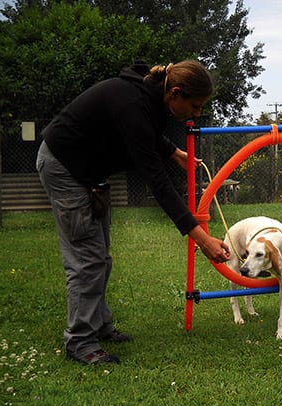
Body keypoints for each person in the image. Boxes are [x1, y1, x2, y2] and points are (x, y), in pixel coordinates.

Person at [36, 60, 231, 365]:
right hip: (65, 168)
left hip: (88, 171)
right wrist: (202, 239)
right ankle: (80, 341)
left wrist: (173, 152)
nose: (195, 114)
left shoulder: (150, 97)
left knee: (100, 257)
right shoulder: (132, 102)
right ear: (175, 92)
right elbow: (158, 183)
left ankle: (99, 326)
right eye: (194, 106)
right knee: (87, 260)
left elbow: (145, 132)